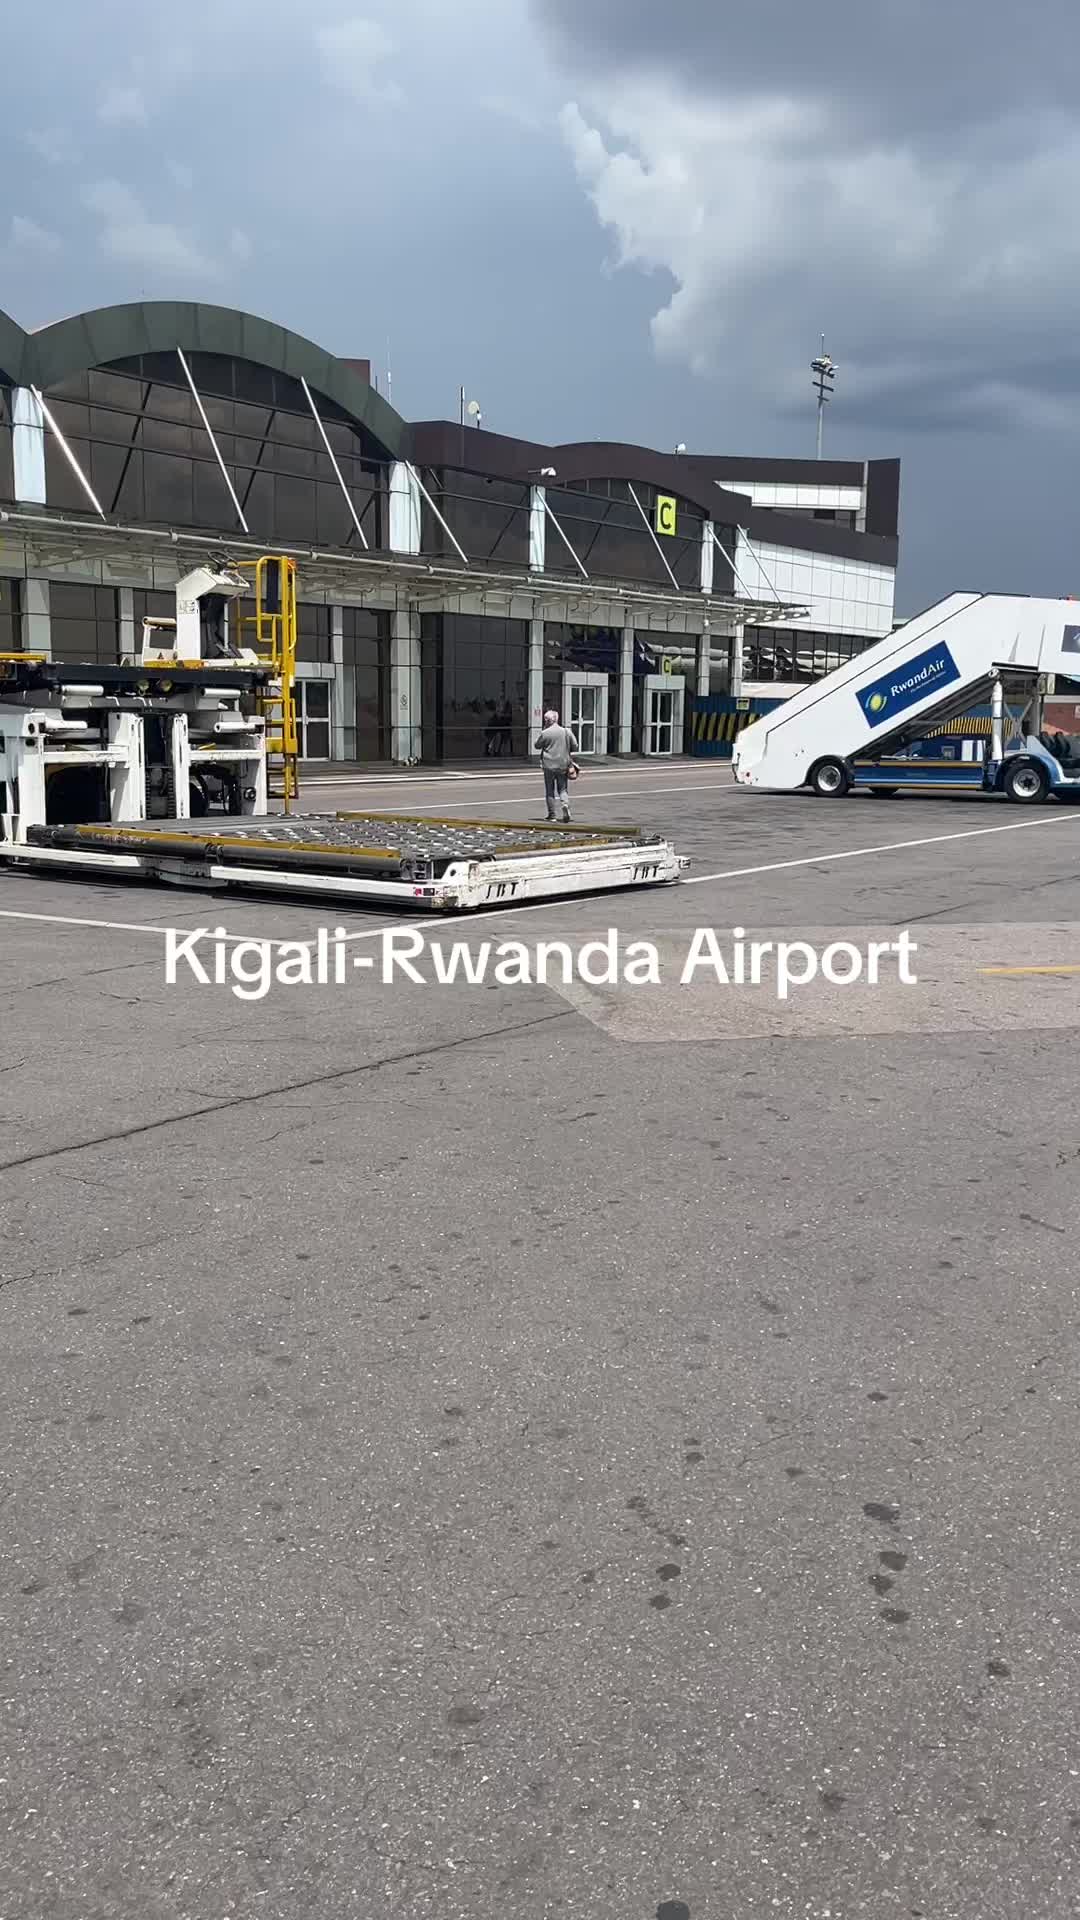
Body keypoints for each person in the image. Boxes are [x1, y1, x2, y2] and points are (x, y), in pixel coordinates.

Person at [534, 708, 579, 821]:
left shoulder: (545, 733)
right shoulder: (566, 731)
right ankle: (565, 804)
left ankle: (552, 815)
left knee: (550, 790)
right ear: (557, 719)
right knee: (563, 788)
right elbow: (575, 746)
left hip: (548, 765)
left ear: (546, 721)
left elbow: (537, 746)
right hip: (563, 764)